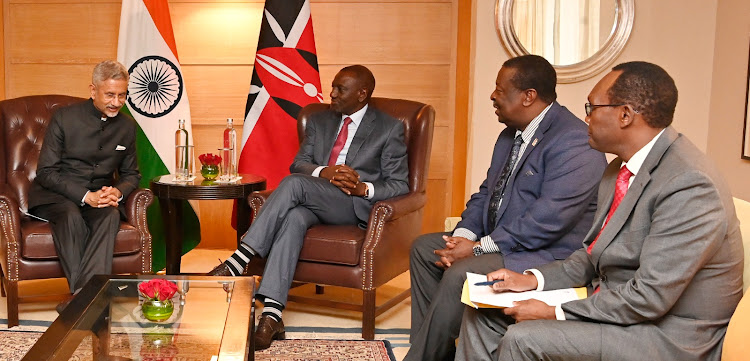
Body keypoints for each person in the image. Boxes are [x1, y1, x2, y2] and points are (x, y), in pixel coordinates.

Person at [456, 61, 744, 361]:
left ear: (624, 115)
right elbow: (593, 252)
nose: (585, 117)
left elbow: (650, 297)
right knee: (483, 315)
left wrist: (555, 311)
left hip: (668, 334)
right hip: (617, 305)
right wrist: (532, 279)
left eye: (592, 107)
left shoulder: (689, 183)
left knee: (524, 337)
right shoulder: (617, 169)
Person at [405, 55, 607, 361]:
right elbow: (488, 192)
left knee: (463, 271)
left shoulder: (574, 142)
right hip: (506, 241)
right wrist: (462, 235)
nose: (493, 95)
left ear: (528, 96)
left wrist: (475, 250)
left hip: (547, 253)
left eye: (500, 89)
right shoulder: (510, 133)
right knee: (425, 249)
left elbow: (546, 222)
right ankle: (435, 351)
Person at [207, 65, 409, 350]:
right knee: (294, 217)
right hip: (315, 199)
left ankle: (239, 260)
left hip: (352, 205)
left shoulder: (389, 128)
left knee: (292, 184)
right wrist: (325, 171)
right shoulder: (320, 120)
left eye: (341, 89)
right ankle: (272, 316)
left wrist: (364, 188)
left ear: (362, 94)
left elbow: (400, 184)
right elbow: (299, 164)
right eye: (333, 86)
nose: (332, 93)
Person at [28, 60, 141, 312]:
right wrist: (84, 196)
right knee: (70, 215)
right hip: (55, 194)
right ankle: (95, 298)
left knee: (110, 214)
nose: (116, 102)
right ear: (93, 90)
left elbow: (131, 174)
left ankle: (83, 299)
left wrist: (118, 191)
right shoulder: (64, 118)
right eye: (110, 94)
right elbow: (46, 172)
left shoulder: (127, 126)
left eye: (122, 95)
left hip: (98, 198)